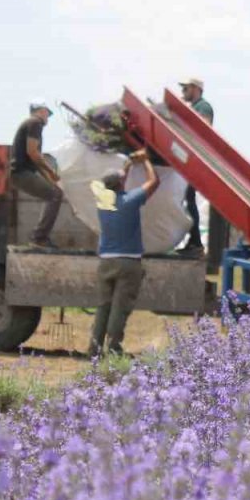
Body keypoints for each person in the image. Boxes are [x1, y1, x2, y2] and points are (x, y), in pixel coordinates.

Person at [88, 150, 160, 358]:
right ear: (121, 185)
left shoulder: (103, 203)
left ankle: (94, 348)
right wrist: (146, 160)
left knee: (104, 306)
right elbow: (154, 182)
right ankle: (113, 348)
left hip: (106, 262)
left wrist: (127, 165)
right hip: (128, 263)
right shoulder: (130, 200)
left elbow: (116, 183)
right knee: (120, 307)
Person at [9, 98, 64, 248]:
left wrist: (51, 179)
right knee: (55, 195)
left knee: (54, 192)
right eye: (47, 114)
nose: (48, 118)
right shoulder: (35, 123)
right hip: (21, 172)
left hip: (22, 172)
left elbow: (35, 161)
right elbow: (32, 153)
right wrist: (51, 170)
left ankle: (39, 237)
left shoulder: (32, 125)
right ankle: (39, 238)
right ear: (41, 111)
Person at [178, 77, 213, 257]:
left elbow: (204, 131)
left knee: (189, 200)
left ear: (196, 89)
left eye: (186, 88)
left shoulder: (203, 107)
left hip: (196, 161)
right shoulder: (194, 108)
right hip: (190, 159)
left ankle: (196, 243)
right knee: (188, 200)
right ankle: (194, 241)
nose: (183, 91)